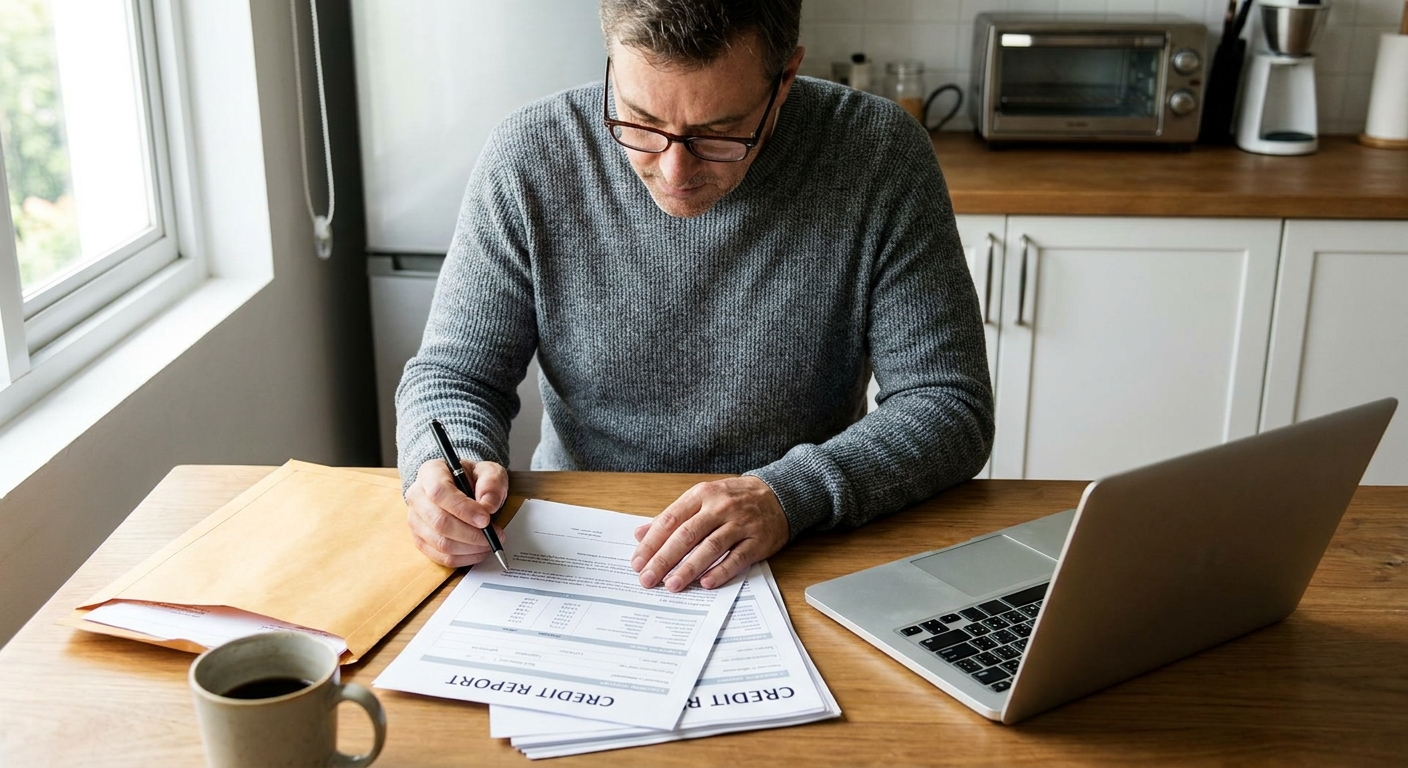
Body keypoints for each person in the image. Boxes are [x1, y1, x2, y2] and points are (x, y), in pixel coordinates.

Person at [396, 0, 993, 593]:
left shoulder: (879, 154)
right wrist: (444, 470)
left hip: (806, 547)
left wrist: (789, 494)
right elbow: (455, 376)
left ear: (784, 80)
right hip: (581, 546)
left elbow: (948, 404)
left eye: (719, 132)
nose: (673, 172)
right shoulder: (530, 155)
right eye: (639, 118)